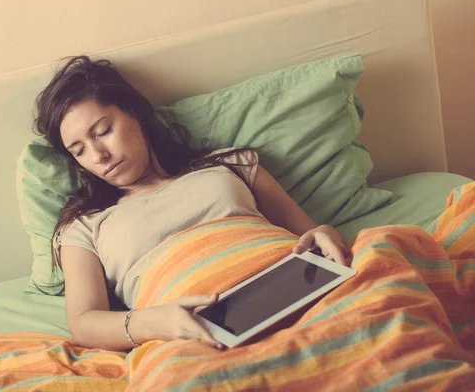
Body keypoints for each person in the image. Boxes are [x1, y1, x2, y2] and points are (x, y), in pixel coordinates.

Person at [33, 56, 351, 352]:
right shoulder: (84, 225)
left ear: (136, 115)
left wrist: (326, 235)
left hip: (297, 289)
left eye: (103, 131)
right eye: (79, 150)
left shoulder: (229, 164)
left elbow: (310, 232)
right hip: (194, 335)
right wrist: (154, 323)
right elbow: (84, 323)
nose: (98, 155)